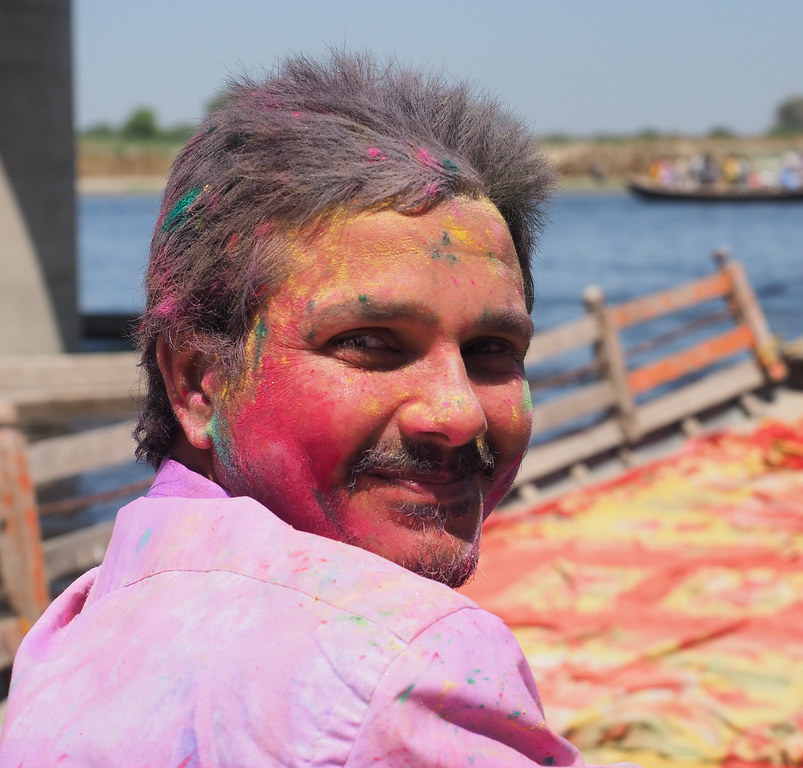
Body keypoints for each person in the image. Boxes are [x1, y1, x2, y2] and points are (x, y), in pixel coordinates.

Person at [0, 51, 639, 767]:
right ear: (199, 384)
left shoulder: (69, 637)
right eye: (368, 343)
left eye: (492, 349)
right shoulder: (409, 663)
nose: (459, 413)